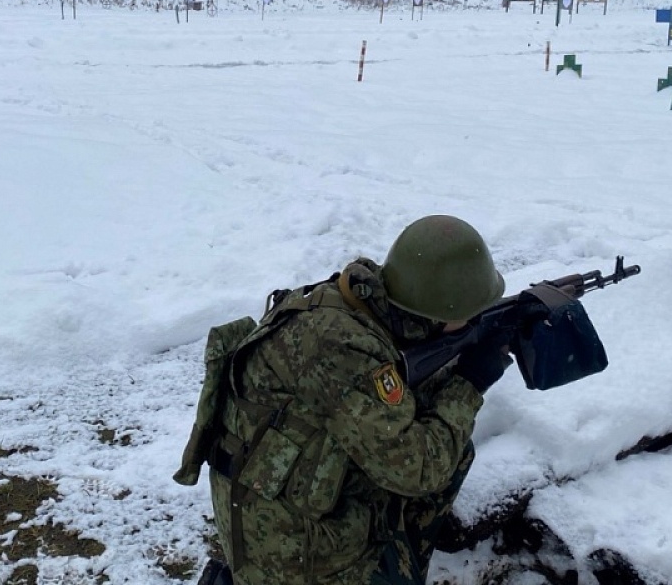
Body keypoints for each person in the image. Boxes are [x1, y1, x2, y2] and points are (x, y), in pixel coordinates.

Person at [175, 214, 511, 585]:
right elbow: (419, 469)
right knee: (443, 446)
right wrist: (468, 383)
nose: (474, 320)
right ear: (434, 312)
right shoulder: (341, 349)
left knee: (449, 440)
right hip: (289, 550)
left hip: (271, 501)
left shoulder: (355, 301)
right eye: (468, 315)